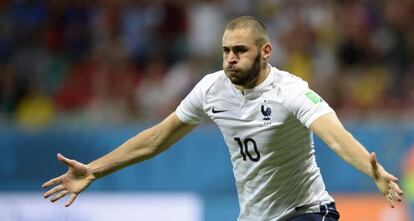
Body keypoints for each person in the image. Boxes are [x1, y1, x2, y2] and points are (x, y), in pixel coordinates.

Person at [42, 16, 404, 221]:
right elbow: (157, 138)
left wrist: (369, 169)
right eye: (226, 50)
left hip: (306, 212)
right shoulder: (210, 90)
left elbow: (334, 134)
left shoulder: (291, 91)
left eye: (240, 51)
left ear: (265, 52)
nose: (230, 58)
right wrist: (94, 170)